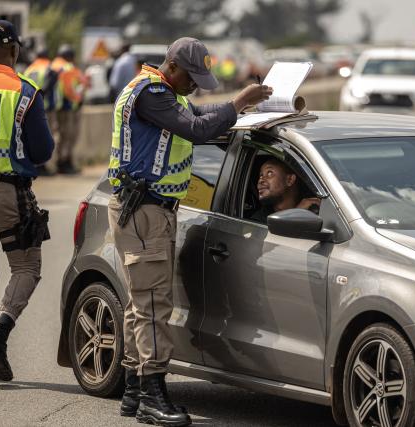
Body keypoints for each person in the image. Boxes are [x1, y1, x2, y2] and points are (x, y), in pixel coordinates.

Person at [107, 37, 272, 426]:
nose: (195, 85)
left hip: (151, 210)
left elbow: (198, 115)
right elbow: (195, 129)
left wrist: (239, 109)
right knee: (152, 304)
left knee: (140, 304)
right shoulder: (150, 93)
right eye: (192, 77)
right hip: (144, 210)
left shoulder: (166, 94)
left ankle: (133, 390)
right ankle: (152, 395)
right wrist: (237, 102)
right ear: (173, 67)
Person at [0, 20, 54, 382]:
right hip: (4, 189)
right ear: (15, 50)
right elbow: (43, 150)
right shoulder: (24, 90)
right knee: (27, 267)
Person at [251, 157, 321, 223]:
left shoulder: (314, 207)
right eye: (261, 175)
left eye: (269, 173)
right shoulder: (257, 221)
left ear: (290, 180)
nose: (260, 180)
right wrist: (297, 213)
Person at [51, 44, 85, 174]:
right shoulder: (68, 67)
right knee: (67, 136)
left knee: (60, 134)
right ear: (71, 57)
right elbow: (69, 89)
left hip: (55, 105)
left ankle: (60, 161)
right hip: (67, 106)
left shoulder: (53, 64)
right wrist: (77, 99)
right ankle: (63, 162)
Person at [24, 48, 58, 175]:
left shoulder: (29, 69)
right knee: (48, 136)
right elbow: (51, 84)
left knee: (31, 136)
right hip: (46, 107)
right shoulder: (49, 68)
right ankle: (45, 166)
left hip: (29, 106)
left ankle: (35, 166)